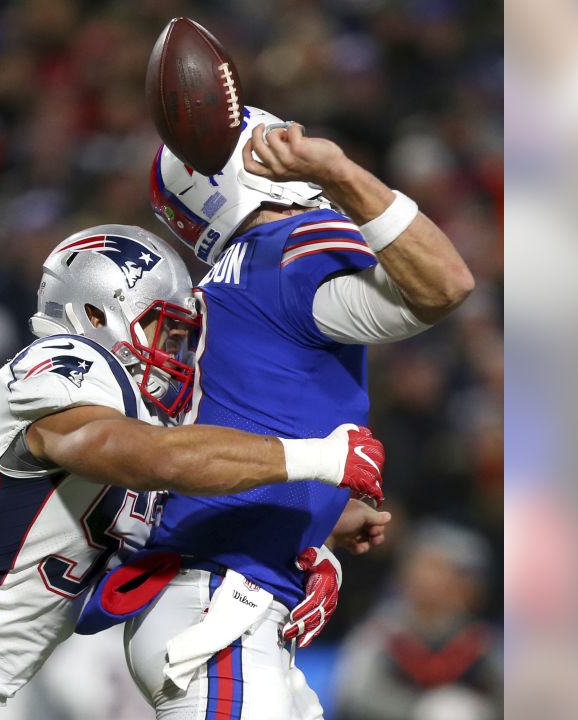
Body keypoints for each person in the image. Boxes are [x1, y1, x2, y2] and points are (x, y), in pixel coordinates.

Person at [0, 224, 388, 720]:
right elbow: (154, 456)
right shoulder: (65, 361)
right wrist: (317, 457)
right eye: (165, 328)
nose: (175, 352)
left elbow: (184, 514)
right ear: (95, 314)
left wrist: (314, 544)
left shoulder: (135, 420)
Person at [122, 106, 475, 720]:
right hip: (222, 603)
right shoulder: (288, 246)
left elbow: (239, 422)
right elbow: (445, 284)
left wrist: (318, 514)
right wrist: (340, 171)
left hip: (211, 598)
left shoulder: (221, 287)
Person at [334, 521, 501, 720]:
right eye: (433, 567)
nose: (438, 580)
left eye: (457, 573)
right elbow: (352, 695)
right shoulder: (381, 630)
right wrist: (420, 710)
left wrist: (472, 709)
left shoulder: (479, 638)